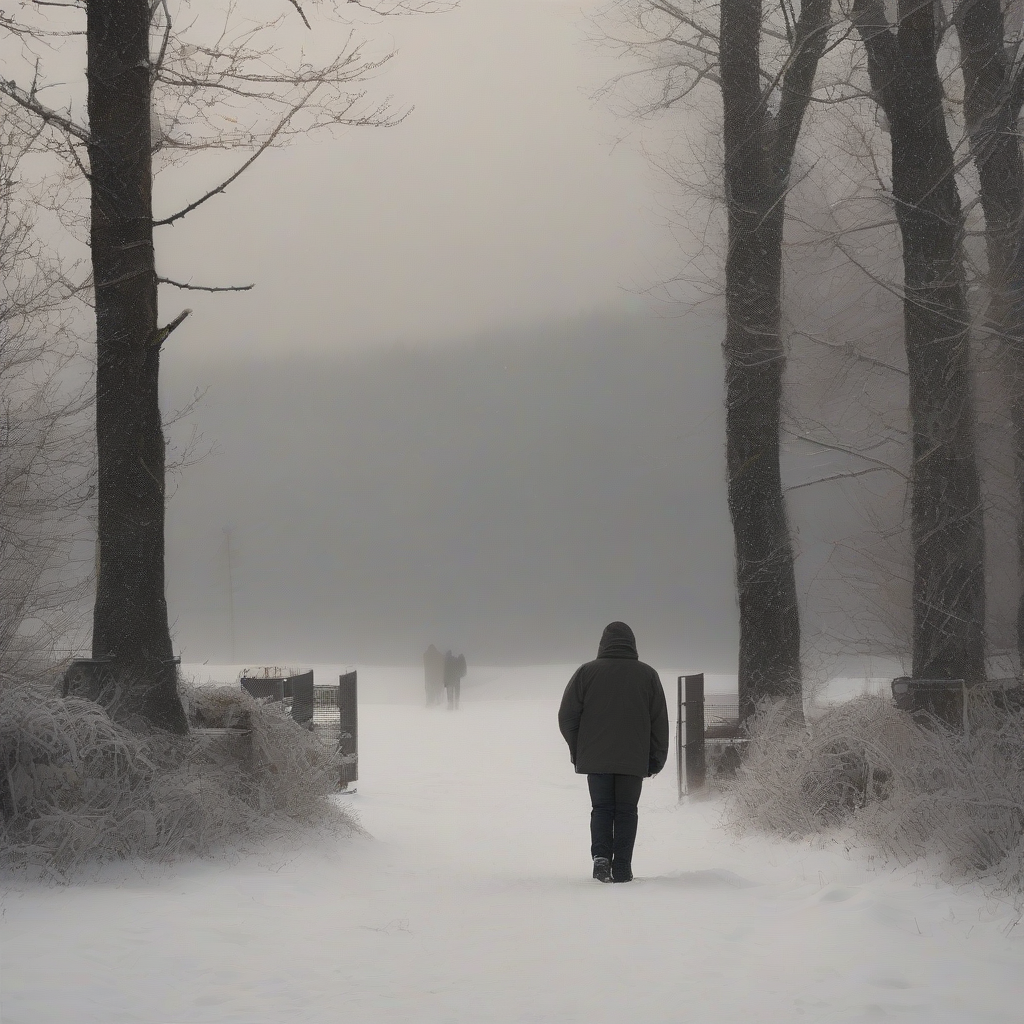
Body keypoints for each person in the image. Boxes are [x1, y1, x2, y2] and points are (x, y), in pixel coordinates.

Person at [557, 621, 669, 883]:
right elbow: (659, 722)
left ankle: (601, 859)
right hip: (633, 758)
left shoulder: (586, 673)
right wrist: (656, 758)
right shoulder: (648, 675)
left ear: (602, 644)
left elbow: (567, 717)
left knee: (602, 808)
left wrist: (578, 749)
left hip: (596, 758)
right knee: (627, 810)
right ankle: (623, 865)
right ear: (632, 644)